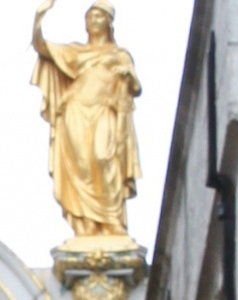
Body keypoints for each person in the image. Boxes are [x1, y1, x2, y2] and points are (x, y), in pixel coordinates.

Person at [30, 1, 143, 241]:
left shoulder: (119, 54)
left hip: (104, 110)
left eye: (99, 16)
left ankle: (112, 221)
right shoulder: (76, 52)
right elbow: (41, 47)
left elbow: (136, 86)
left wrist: (127, 75)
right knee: (81, 164)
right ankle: (87, 224)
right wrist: (39, 18)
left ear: (109, 23)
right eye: (89, 17)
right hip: (75, 110)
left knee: (104, 157)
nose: (93, 21)